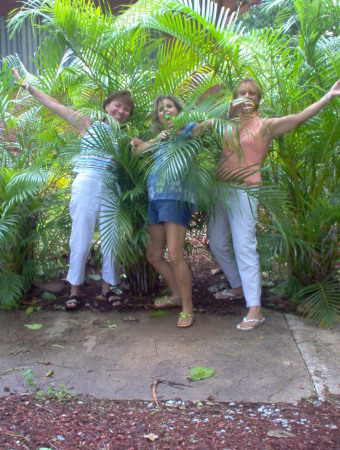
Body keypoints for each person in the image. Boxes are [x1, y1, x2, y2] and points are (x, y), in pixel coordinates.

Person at [208, 78, 340, 331]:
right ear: (234, 97)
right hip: (218, 189)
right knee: (216, 241)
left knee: (244, 246)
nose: (246, 97)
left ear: (258, 100)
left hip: (245, 191)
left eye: (252, 94)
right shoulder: (223, 122)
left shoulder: (264, 127)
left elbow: (299, 118)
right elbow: (196, 128)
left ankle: (255, 309)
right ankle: (237, 286)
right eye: (241, 93)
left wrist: (328, 96)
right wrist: (227, 112)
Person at [12, 68, 135, 310]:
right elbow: (56, 106)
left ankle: (107, 289)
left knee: (111, 240)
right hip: (87, 181)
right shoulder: (88, 124)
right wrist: (28, 87)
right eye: (117, 105)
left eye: (126, 109)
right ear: (107, 105)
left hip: (111, 185)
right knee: (80, 237)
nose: (121, 111)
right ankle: (75, 290)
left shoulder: (124, 137)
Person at [131, 95, 211, 328]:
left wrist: (229, 110)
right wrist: (154, 141)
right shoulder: (159, 138)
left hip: (176, 198)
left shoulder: (187, 131)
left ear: (178, 109)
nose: (165, 111)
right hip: (154, 199)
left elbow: (208, 125)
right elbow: (136, 153)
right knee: (153, 255)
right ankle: (176, 295)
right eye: (160, 109)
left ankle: (188, 307)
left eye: (169, 106)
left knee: (175, 255)